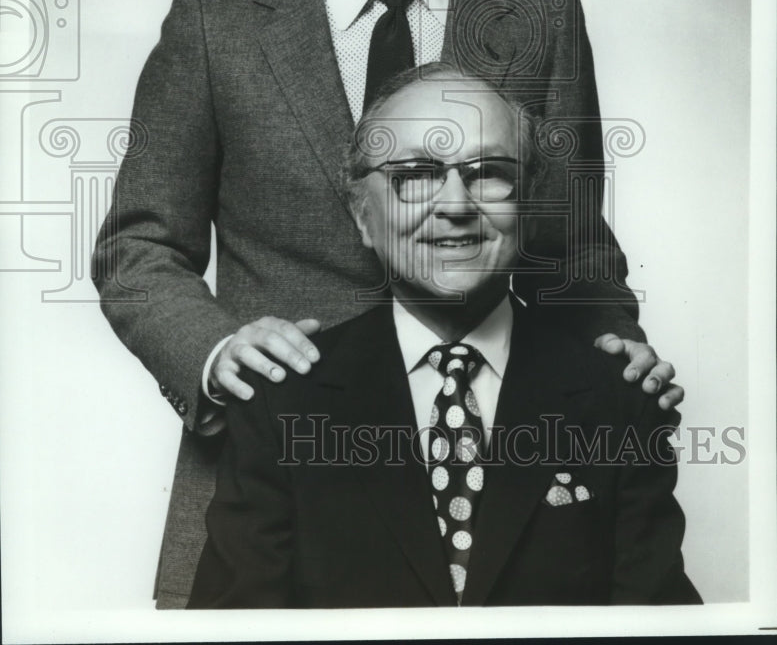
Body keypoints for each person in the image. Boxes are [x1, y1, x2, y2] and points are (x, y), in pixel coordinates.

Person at [93, 0, 682, 608]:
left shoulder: (536, 13)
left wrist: (618, 353)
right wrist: (215, 353)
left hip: (495, 494)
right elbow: (138, 248)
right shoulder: (216, 20)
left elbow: (575, 257)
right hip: (269, 494)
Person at [188, 65, 701, 607]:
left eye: (489, 173)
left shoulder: (620, 401)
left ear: (528, 205)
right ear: (363, 216)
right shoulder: (281, 403)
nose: (456, 205)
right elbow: (234, 629)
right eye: (415, 175)